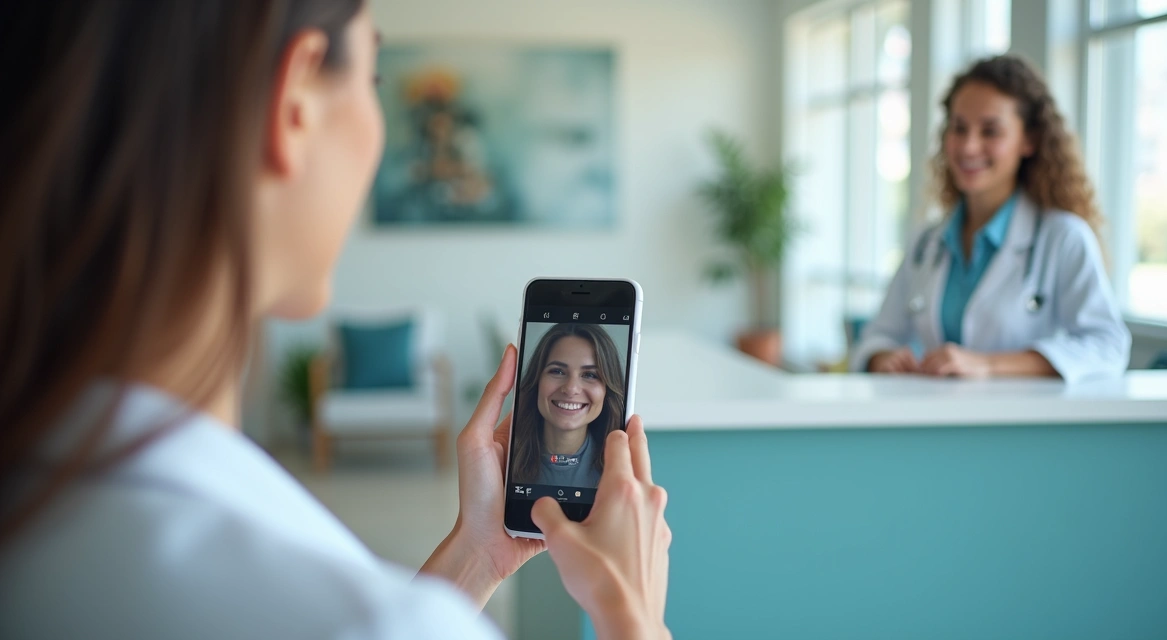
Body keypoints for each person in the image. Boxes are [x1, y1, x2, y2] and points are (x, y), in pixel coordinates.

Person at [0, 2, 672, 639]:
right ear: (293, 105)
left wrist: (478, 555)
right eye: (374, 77)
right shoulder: (360, 620)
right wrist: (630, 611)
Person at [850, 55, 1130, 382]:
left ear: (1029, 140)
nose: (969, 147)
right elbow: (878, 334)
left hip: (1023, 428)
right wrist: (883, 357)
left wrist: (987, 365)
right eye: (959, 128)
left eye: (990, 131)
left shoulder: (1063, 237)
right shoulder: (927, 242)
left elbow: (1107, 346)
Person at [511, 323, 626, 488]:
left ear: (607, 391)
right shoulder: (502, 460)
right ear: (536, 382)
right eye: (557, 371)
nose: (571, 389)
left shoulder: (621, 472)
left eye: (590, 375)